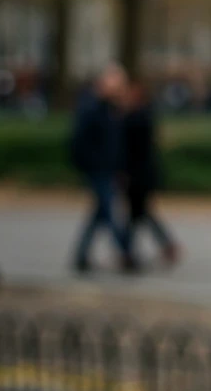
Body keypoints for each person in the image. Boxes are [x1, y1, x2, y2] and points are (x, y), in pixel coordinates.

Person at [68, 62, 138, 273]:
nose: (119, 87)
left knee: (100, 212)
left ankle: (81, 255)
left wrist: (120, 167)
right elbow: (80, 141)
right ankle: (126, 252)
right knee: (108, 211)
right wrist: (90, 164)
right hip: (97, 169)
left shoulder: (111, 108)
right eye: (116, 82)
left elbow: (117, 142)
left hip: (108, 168)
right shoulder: (90, 107)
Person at [120, 77, 180, 267]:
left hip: (138, 175)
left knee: (137, 214)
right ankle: (132, 250)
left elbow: (130, 149)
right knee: (140, 214)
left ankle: (128, 251)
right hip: (142, 174)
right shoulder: (144, 116)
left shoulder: (136, 118)